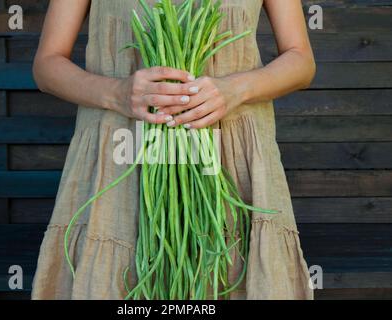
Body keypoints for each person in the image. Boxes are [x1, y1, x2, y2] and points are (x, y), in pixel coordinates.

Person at [31, 0, 316, 300]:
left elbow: (301, 61)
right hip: (121, 167)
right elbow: (47, 64)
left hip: (232, 166)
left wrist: (237, 88)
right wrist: (116, 94)